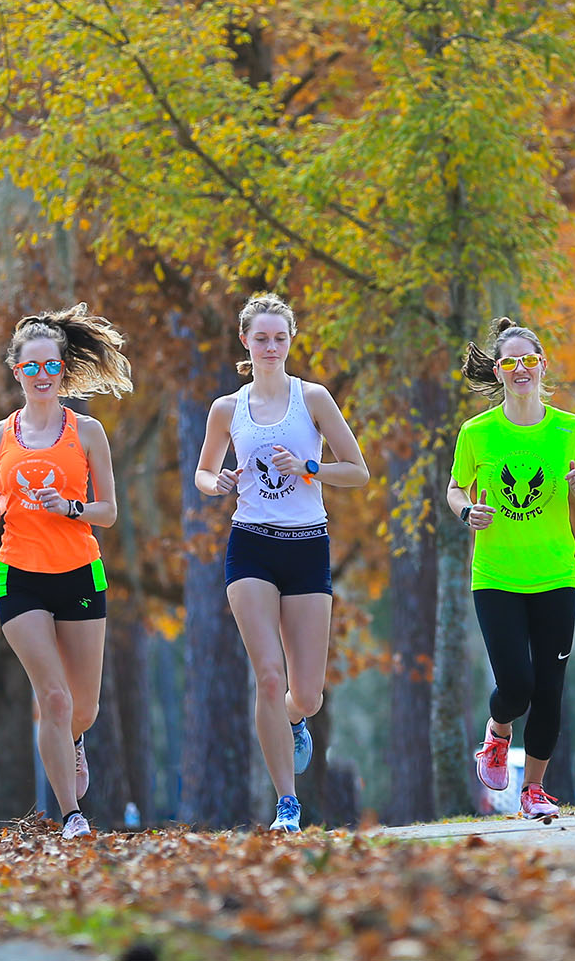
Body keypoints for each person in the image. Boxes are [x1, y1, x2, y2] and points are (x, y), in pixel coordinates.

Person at [193, 293, 370, 832]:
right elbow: (202, 474)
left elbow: (357, 470)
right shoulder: (227, 408)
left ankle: (294, 720)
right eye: (261, 338)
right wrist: (216, 481)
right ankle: (286, 805)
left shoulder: (312, 398)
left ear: (290, 342)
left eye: (280, 338)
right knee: (268, 676)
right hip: (251, 544)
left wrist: (309, 465)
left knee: (307, 694)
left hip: (307, 543)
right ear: (245, 342)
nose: (271, 347)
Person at [0, 304, 133, 840]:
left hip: (79, 574)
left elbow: (108, 512)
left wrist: (69, 507)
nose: (42, 376)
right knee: (55, 698)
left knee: (82, 708)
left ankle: (74, 740)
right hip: (18, 575)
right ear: (16, 371)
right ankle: (71, 815)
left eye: (51, 366)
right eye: (31, 367)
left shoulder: (87, 432)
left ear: (63, 370)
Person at [445, 318, 575, 821]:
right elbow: (455, 489)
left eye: (529, 361)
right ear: (499, 370)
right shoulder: (477, 432)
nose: (520, 369)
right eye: (510, 362)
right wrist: (465, 511)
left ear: (542, 366)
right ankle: (496, 735)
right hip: (495, 576)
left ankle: (534, 790)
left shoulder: (569, 430)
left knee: (550, 686)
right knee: (516, 684)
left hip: (556, 574)